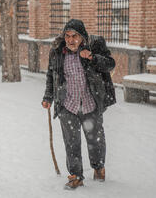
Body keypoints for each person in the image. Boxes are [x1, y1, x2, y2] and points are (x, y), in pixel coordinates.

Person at [42, 19, 116, 190]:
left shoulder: (94, 46)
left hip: (91, 104)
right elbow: (50, 76)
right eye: (67, 36)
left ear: (82, 37)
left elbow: (110, 64)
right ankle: (76, 176)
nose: (71, 39)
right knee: (71, 142)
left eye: (75, 36)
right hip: (68, 105)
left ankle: (98, 167)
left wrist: (91, 57)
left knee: (95, 141)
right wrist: (48, 97)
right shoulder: (58, 52)